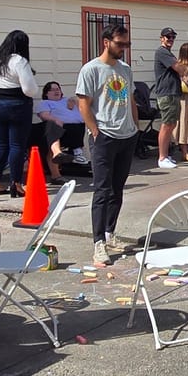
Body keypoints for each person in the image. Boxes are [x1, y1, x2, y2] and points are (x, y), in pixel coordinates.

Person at [75, 21, 137, 268]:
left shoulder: (125, 69)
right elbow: (83, 104)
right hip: (104, 136)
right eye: (119, 44)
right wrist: (95, 132)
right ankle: (98, 242)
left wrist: (135, 127)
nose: (123, 48)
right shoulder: (91, 70)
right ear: (106, 42)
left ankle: (110, 233)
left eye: (126, 44)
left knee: (117, 188)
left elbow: (130, 98)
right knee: (101, 190)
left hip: (127, 135)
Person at [0, 29, 38, 199]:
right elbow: (30, 90)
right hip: (18, 106)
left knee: (2, 145)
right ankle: (16, 184)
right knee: (16, 146)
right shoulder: (20, 61)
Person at [35, 80, 87, 172]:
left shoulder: (67, 100)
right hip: (60, 129)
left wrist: (74, 99)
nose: (56, 91)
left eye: (58, 89)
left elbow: (85, 101)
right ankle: (75, 152)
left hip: (78, 127)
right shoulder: (46, 103)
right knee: (63, 127)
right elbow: (44, 115)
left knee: (80, 125)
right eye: (53, 90)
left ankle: (77, 153)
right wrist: (55, 120)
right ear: (46, 93)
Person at [152, 27, 183, 171]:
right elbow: (179, 68)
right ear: (161, 38)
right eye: (167, 37)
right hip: (166, 94)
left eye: (172, 37)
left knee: (171, 124)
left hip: (173, 92)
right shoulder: (162, 52)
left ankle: (166, 155)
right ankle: (162, 157)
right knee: (166, 124)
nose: (170, 39)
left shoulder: (168, 53)